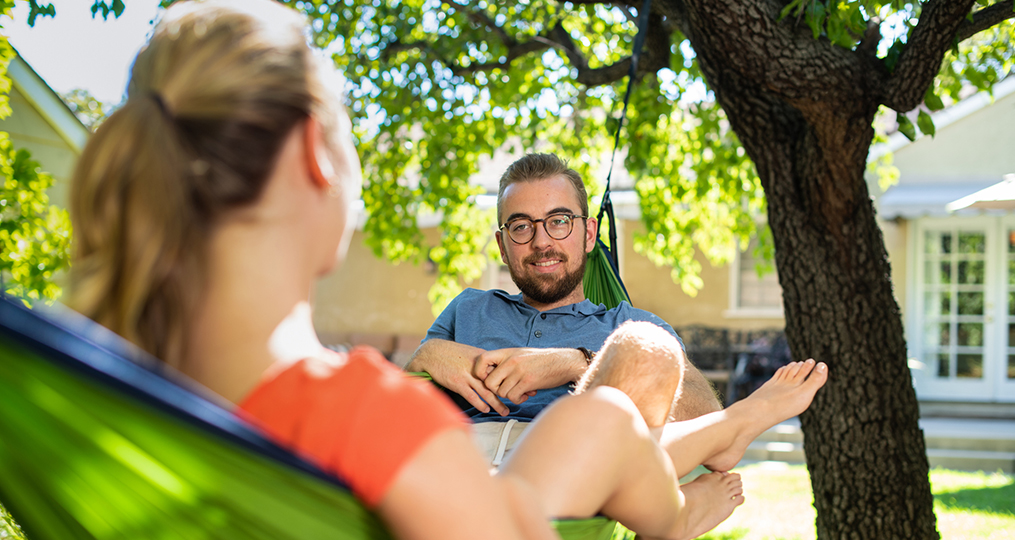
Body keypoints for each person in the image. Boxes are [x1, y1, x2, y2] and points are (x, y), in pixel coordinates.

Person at [67, 2, 829, 539]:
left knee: (605, 401)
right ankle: (687, 495)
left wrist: (562, 364)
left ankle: (707, 447)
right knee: (596, 421)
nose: (540, 239)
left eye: (558, 222)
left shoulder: (104, 392)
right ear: (312, 157)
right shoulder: (359, 411)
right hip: (513, 503)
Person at [406, 153, 721, 463]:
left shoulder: (631, 329)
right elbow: (397, 410)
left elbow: (706, 419)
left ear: (589, 234)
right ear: (502, 246)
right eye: (521, 226)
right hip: (457, 465)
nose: (542, 242)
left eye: (559, 222)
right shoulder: (469, 309)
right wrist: (424, 356)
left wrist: (577, 364)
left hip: (571, 474)